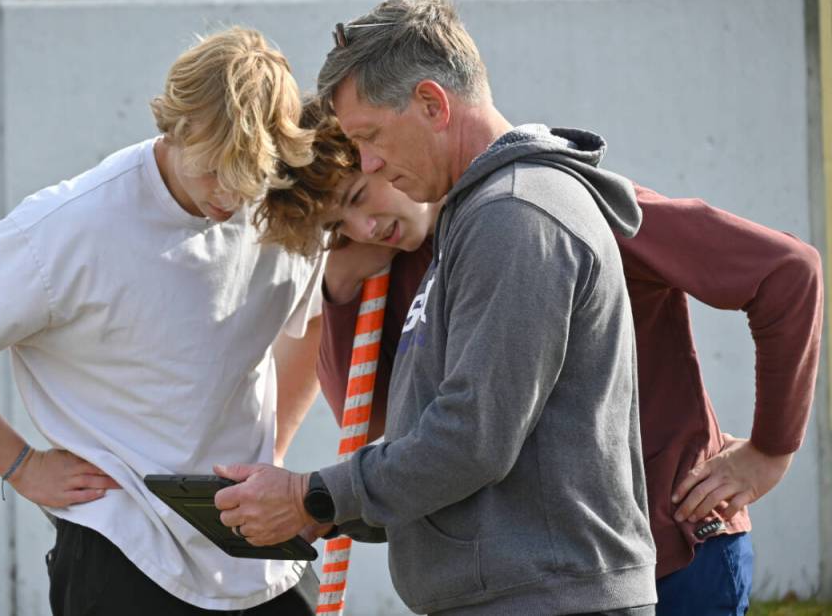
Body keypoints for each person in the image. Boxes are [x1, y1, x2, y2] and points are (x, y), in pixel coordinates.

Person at [258, 96, 824, 615]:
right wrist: (341, 286)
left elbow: (786, 271)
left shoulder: (549, 212)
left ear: (389, 152)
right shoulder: (404, 259)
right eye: (338, 229)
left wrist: (772, 447)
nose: (365, 227)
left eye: (360, 198)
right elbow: (376, 418)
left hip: (673, 549)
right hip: (555, 579)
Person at [216, 0, 658, 615]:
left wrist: (313, 497)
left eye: (369, 137)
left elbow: (471, 438)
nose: (367, 161)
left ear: (432, 103)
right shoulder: (478, 216)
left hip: (545, 598)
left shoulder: (514, 216)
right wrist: (333, 504)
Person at [0, 27, 327, 615]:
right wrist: (21, 466)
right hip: (123, 544)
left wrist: (272, 456)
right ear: (177, 124)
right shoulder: (71, 226)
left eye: (247, 176)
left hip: (256, 551)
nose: (228, 196)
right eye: (214, 169)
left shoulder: (278, 204)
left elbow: (316, 319)